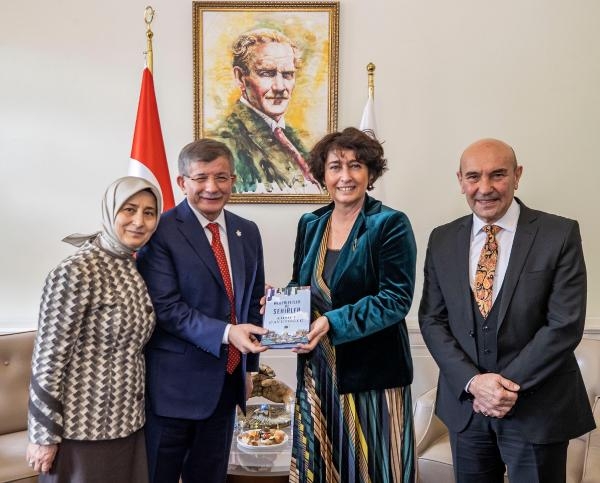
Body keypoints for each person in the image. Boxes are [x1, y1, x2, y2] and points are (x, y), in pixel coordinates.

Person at [418, 138, 596, 483]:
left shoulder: (559, 233)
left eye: (497, 174)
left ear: (517, 175)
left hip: (538, 409)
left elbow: (565, 324)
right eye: (473, 177)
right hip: (466, 410)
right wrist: (474, 383)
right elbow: (432, 319)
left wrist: (500, 390)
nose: (484, 188)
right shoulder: (442, 238)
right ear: (460, 181)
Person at [288, 127, 417, 482]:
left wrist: (332, 321)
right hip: (318, 373)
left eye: (356, 165)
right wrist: (279, 302)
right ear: (323, 174)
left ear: (370, 173)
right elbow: (302, 286)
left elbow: (395, 300)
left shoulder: (389, 224)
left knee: (373, 470)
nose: (345, 176)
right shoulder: (310, 224)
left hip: (372, 377)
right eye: (335, 167)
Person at [136, 139, 267, 483]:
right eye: (201, 178)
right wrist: (227, 333)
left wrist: (250, 369)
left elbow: (252, 302)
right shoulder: (159, 230)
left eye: (221, 177)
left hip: (226, 386)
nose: (212, 187)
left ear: (233, 180)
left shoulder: (247, 231)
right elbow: (166, 308)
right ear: (182, 182)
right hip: (173, 392)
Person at [26, 176, 162, 482]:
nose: (139, 221)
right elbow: (48, 360)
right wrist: (43, 436)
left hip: (128, 425)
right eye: (129, 209)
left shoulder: (134, 266)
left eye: (149, 212)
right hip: (80, 433)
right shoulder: (75, 270)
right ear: (110, 210)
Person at [212, 28, 321, 194]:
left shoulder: (292, 137)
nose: (280, 87)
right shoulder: (226, 142)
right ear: (240, 77)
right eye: (267, 73)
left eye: (288, 74)